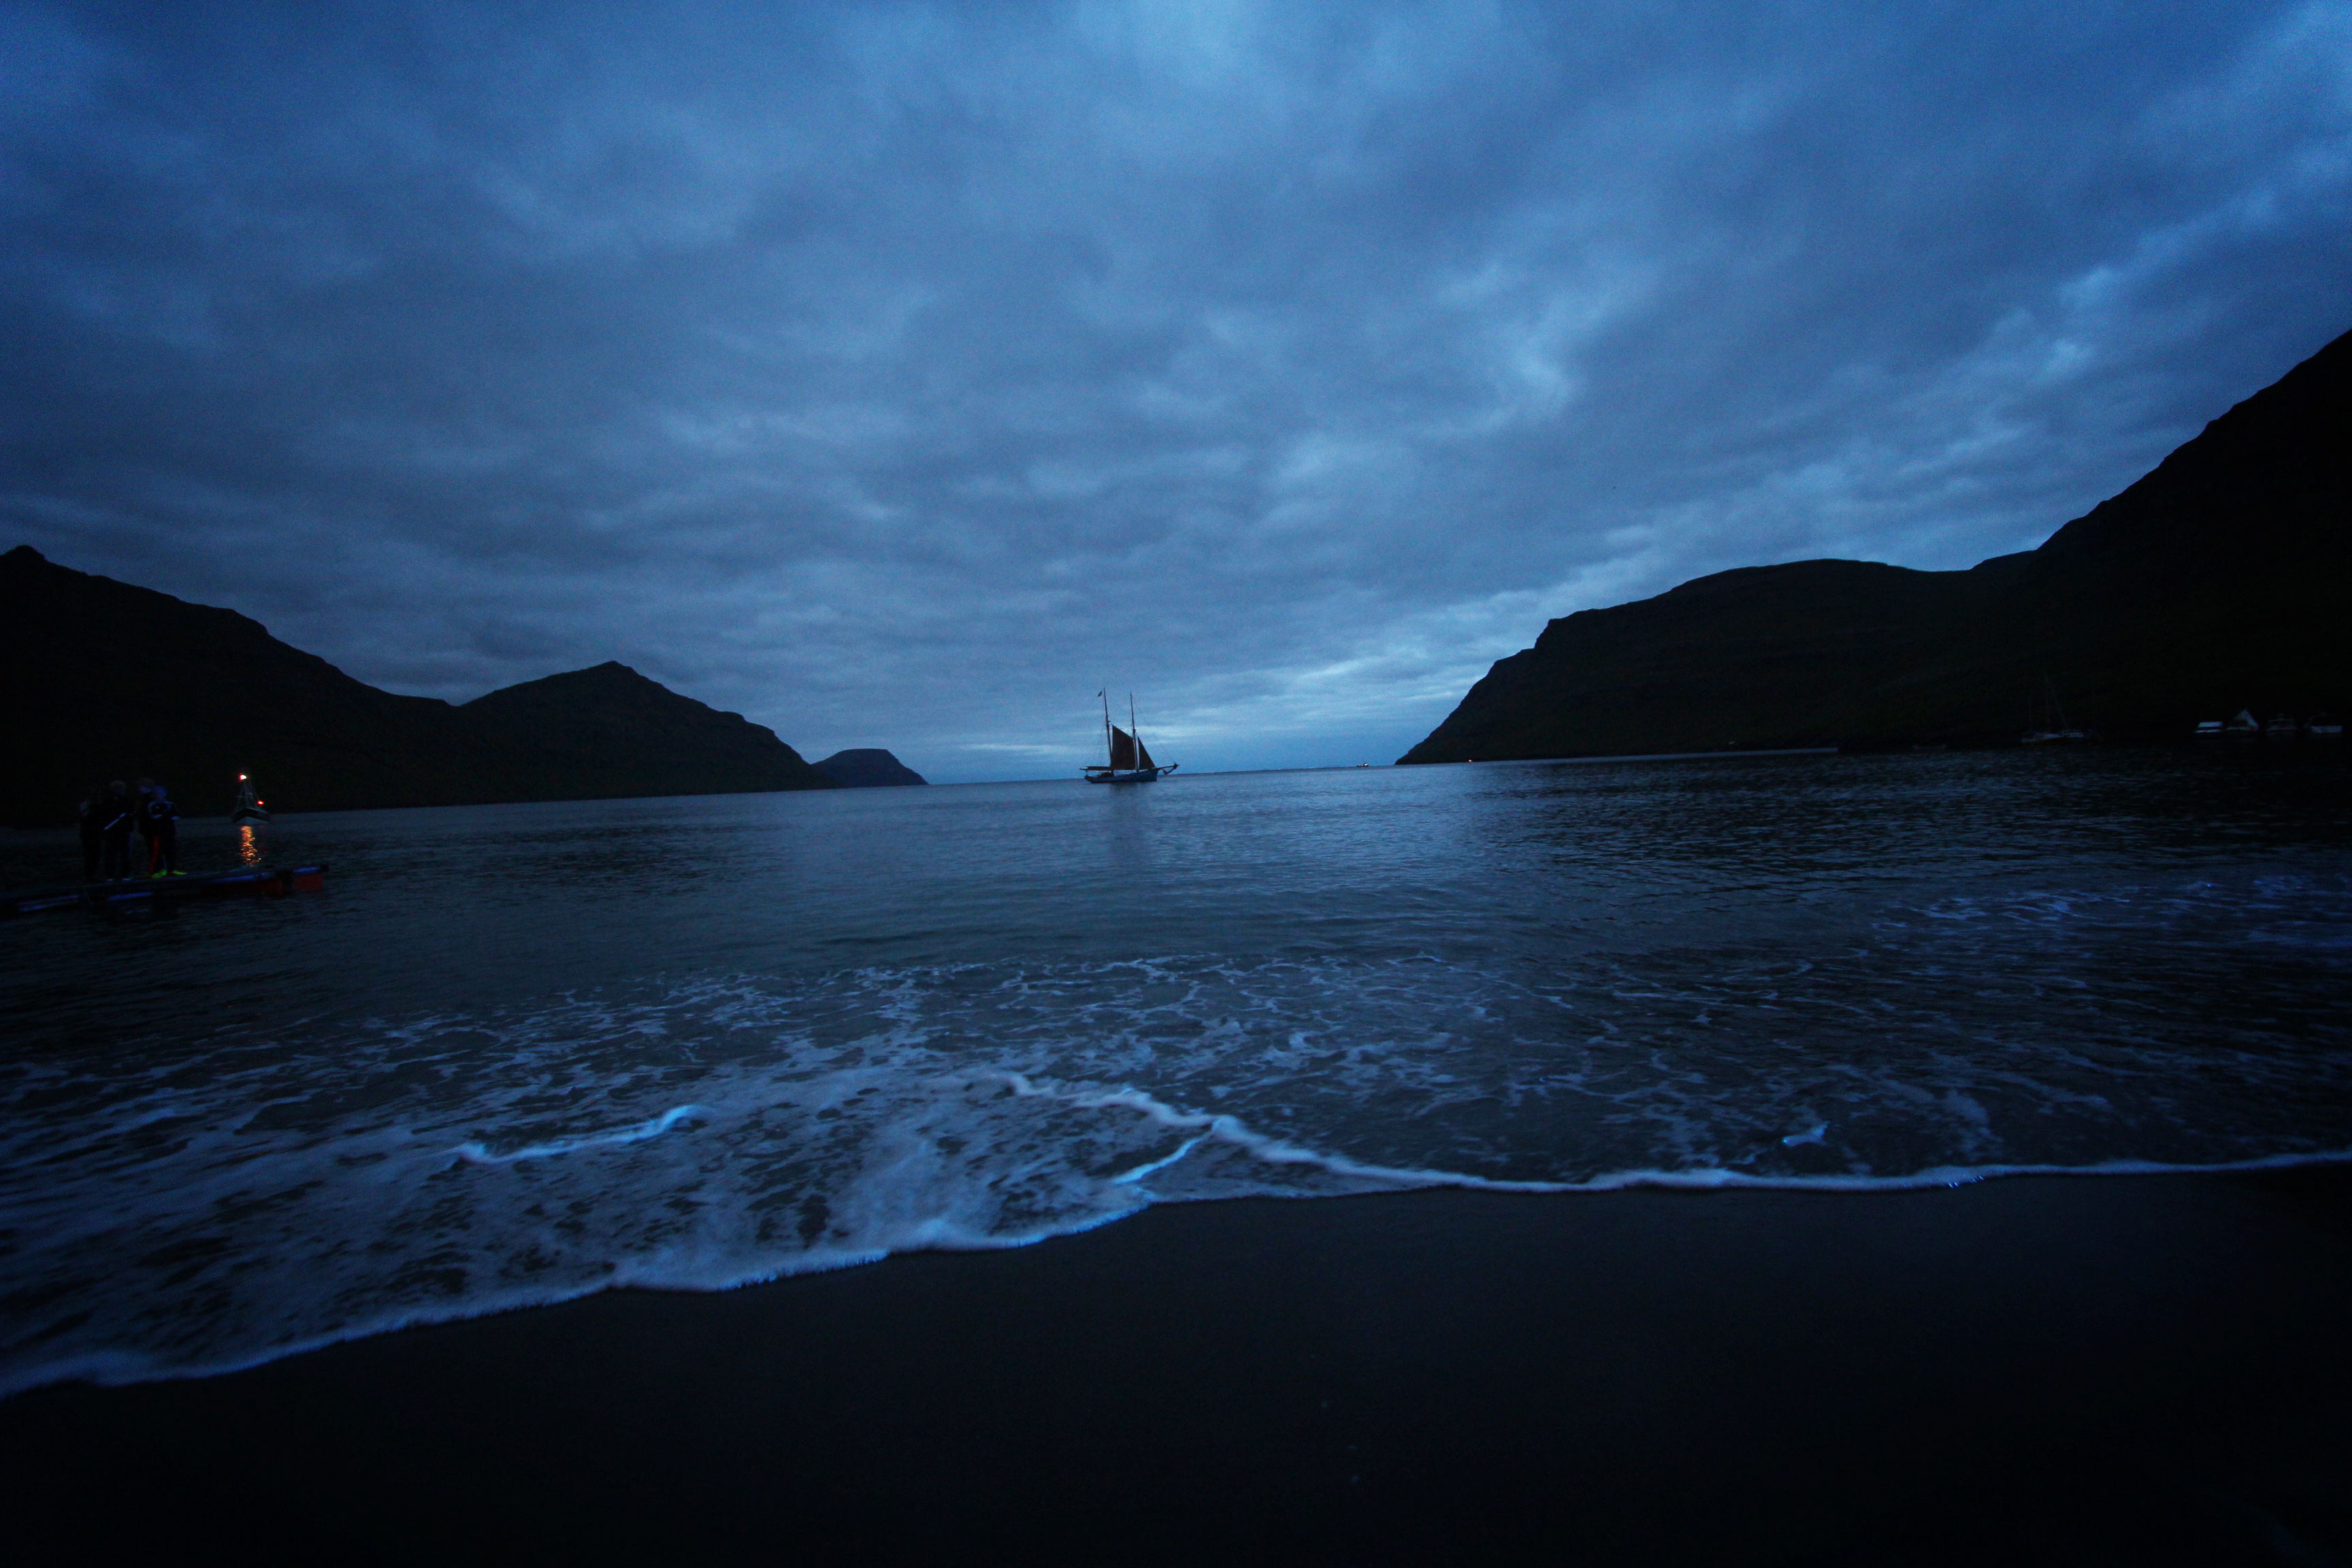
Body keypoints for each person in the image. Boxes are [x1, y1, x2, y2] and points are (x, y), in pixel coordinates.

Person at [96, 781, 137, 880]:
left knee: (115, 854)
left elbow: (130, 816)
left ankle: (117, 874)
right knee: (119, 854)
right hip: (117, 831)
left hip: (118, 831)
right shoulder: (124, 801)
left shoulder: (108, 802)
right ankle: (121, 874)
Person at [142, 783, 182, 877]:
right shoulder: (152, 805)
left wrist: (166, 816)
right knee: (157, 852)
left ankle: (172, 869)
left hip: (169, 831)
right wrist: (166, 816)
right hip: (158, 832)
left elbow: (176, 816)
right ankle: (157, 870)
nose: (158, 795)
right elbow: (155, 817)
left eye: (160, 794)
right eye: (156, 794)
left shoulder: (170, 804)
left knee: (171, 851)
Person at [76, 783, 106, 881]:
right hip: (91, 832)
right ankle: (90, 873)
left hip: (90, 832)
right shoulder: (89, 806)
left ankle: (91, 873)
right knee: (92, 854)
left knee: (92, 854)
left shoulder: (87, 805)